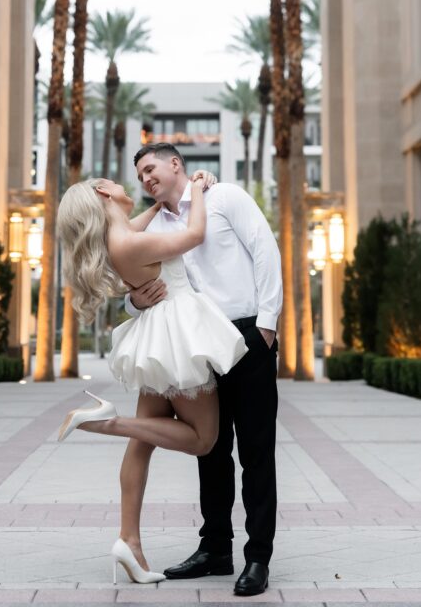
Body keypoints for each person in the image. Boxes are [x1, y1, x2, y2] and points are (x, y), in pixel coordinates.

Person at [55, 169, 248, 587]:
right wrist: (195, 188)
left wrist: (161, 203)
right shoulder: (130, 242)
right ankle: (106, 421)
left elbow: (141, 222)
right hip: (177, 338)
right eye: (116, 183)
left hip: (158, 337)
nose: (129, 184)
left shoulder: (120, 236)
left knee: (142, 444)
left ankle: (129, 541)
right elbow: (194, 234)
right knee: (204, 440)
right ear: (104, 192)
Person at [127, 142, 282, 597]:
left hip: (247, 335)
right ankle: (215, 549)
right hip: (196, 345)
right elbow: (134, 283)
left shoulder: (224, 197)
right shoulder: (154, 225)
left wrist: (267, 325)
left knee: (256, 452)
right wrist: (134, 302)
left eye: (151, 168)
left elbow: (265, 251)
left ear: (176, 164)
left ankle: (258, 557)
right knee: (210, 450)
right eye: (140, 175)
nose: (146, 179)